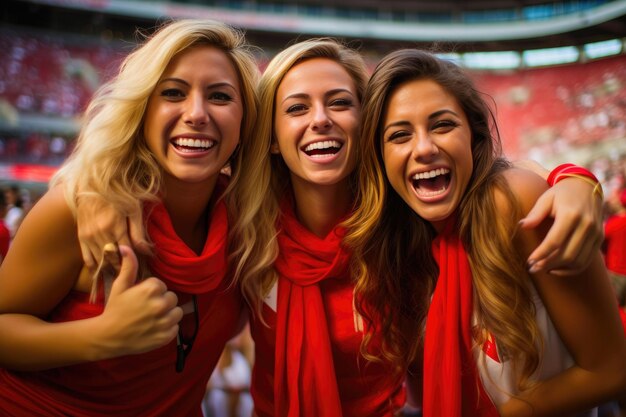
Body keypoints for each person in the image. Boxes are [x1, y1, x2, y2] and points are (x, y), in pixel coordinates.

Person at [75, 39, 608, 416]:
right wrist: (90, 191)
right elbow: (147, 171)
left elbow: (500, 177)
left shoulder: (401, 218)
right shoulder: (241, 217)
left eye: (340, 103)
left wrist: (575, 179)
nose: (321, 120)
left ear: (367, 126)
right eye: (296, 107)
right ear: (270, 137)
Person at [0, 18, 260, 416]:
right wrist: (101, 336)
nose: (196, 113)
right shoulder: (78, 209)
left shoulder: (251, 222)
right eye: (172, 93)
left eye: (220, 97)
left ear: (245, 122)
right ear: (141, 110)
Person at [346, 49, 626, 416]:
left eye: (443, 125)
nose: (425, 148)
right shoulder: (401, 251)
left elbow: (609, 370)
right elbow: (423, 396)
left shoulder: (512, 202)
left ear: (474, 135)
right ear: (380, 158)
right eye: (400, 135)